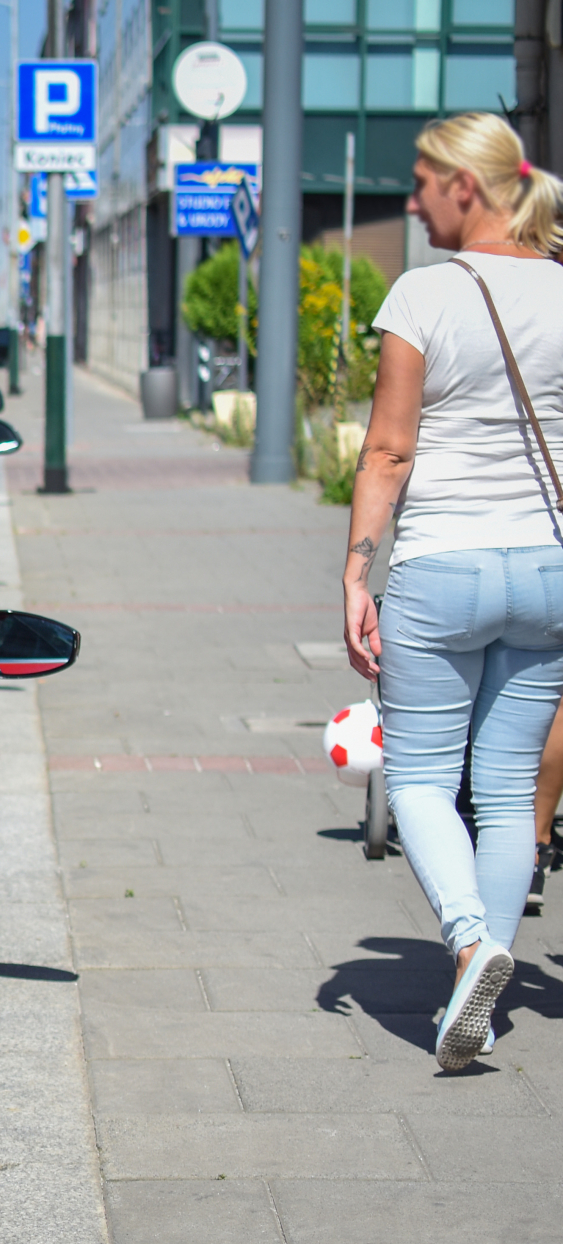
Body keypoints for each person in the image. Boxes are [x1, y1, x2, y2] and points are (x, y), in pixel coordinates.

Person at [343, 112, 563, 1070]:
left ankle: (472, 941)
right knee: (511, 791)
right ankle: (492, 966)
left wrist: (357, 572)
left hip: (441, 568)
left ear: (465, 188)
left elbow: (389, 449)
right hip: (548, 569)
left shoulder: (423, 292)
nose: (412, 198)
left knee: (426, 778)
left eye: (425, 181)